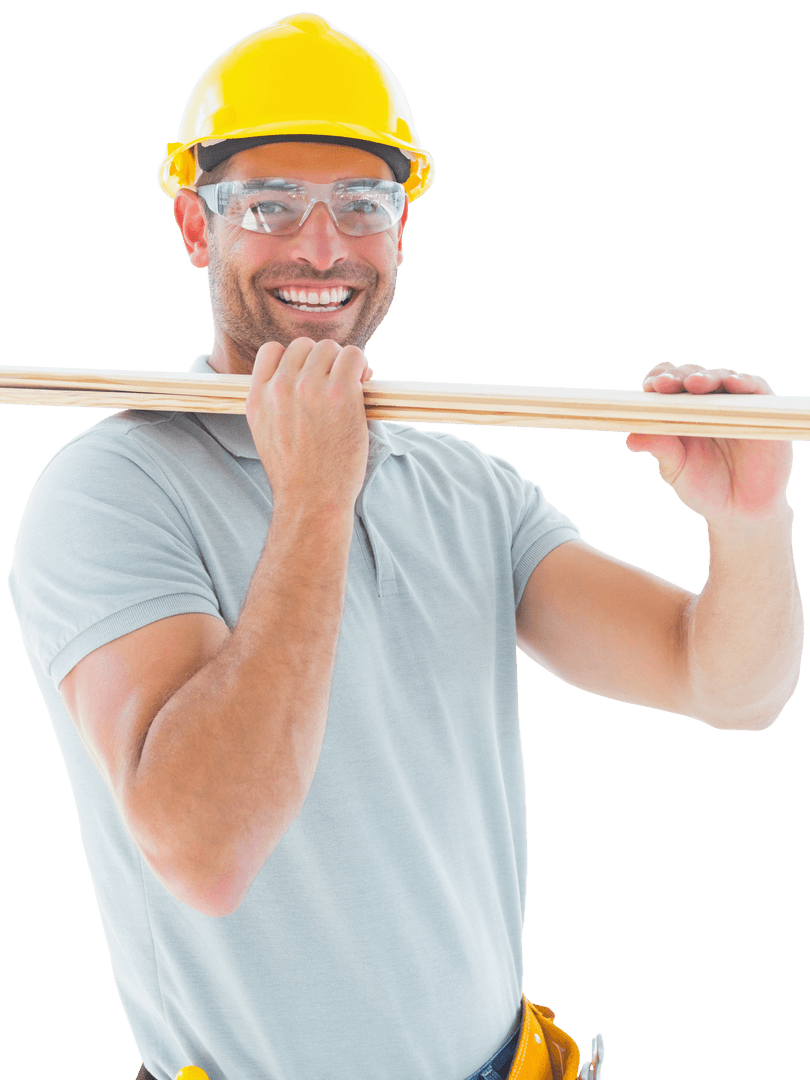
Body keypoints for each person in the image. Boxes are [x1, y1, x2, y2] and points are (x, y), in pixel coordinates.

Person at [6, 13, 802, 1080]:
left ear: (402, 227)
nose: (321, 248)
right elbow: (202, 852)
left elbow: (726, 684)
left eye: (362, 205)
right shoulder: (106, 492)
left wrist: (749, 526)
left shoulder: (465, 487)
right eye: (269, 205)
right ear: (198, 228)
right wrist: (316, 499)